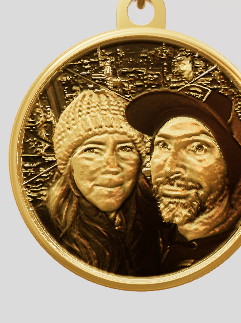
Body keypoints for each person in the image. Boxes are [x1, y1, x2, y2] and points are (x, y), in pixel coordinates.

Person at [125, 87, 241, 273]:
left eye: (198, 148)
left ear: (229, 168)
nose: (170, 168)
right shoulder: (148, 229)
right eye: (163, 145)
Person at [38, 89, 162, 276]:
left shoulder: (159, 221)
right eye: (92, 150)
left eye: (125, 148)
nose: (112, 166)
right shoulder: (40, 231)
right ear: (69, 166)